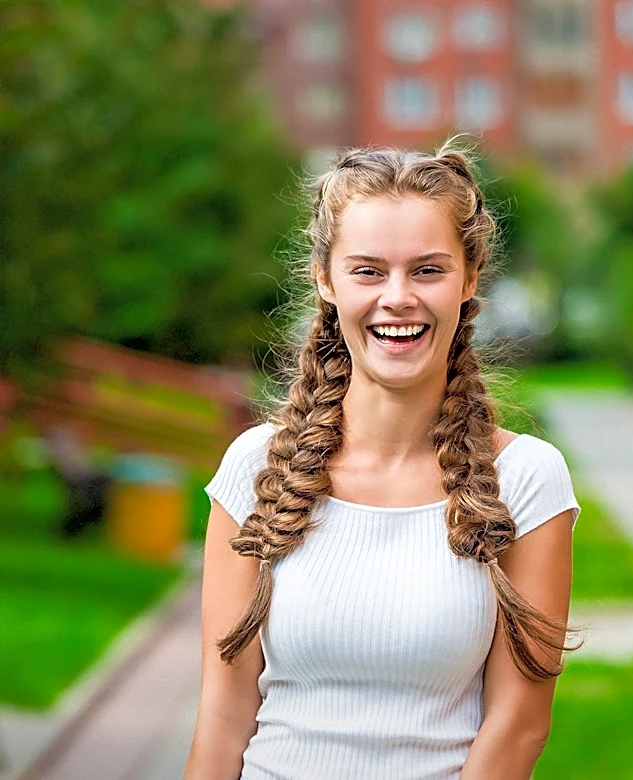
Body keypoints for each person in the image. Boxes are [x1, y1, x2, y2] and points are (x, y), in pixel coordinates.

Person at [185, 138, 584, 780]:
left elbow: (519, 725)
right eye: (368, 271)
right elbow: (223, 710)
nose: (397, 297)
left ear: (469, 279)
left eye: (427, 270)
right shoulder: (257, 467)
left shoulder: (526, 480)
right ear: (326, 280)